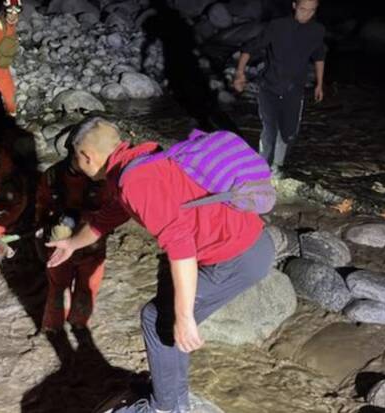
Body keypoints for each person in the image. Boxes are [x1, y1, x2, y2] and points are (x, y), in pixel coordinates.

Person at [46, 117, 274, 413]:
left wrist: (185, 316)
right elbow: (111, 216)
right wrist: (72, 243)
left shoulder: (135, 182)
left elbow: (180, 247)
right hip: (250, 245)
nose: (77, 166)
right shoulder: (141, 159)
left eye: (76, 159)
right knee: (164, 318)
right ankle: (172, 396)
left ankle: (165, 407)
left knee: (156, 320)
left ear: (87, 157)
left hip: (238, 258)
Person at [233, 0, 325, 178]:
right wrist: (239, 73)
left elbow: (319, 56)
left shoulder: (317, 30)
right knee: (269, 128)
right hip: (269, 86)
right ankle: (262, 167)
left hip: (294, 90)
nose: (306, 14)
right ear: (294, 5)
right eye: (302, 10)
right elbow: (249, 48)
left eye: (311, 11)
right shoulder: (277, 26)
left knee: (289, 132)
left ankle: (278, 165)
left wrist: (320, 84)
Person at [35, 151, 110, 333]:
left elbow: (111, 210)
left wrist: (80, 217)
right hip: (59, 240)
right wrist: (39, 230)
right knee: (59, 288)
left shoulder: (102, 177)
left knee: (87, 286)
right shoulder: (53, 176)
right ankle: (53, 328)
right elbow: (41, 205)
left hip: (90, 242)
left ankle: (79, 325)